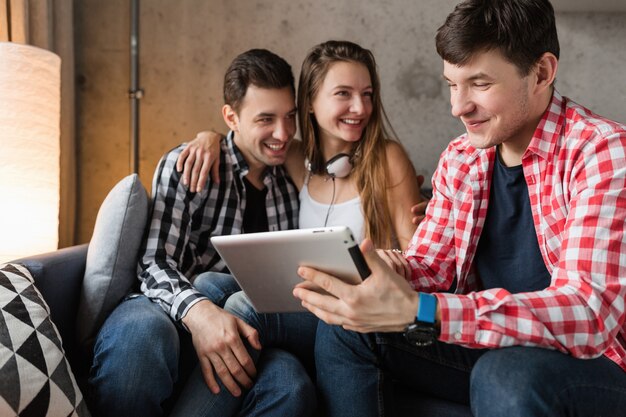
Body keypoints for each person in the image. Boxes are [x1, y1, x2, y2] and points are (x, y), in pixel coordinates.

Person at [293, 1, 626, 416]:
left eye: (480, 84)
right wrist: (383, 271)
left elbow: (587, 313)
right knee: (348, 328)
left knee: (504, 374)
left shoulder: (601, 151)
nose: (458, 106)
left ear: (541, 72)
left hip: (592, 362)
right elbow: (430, 267)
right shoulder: (462, 157)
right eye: (452, 84)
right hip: (490, 344)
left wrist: (424, 310)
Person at [177, 40, 424, 414]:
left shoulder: (387, 159)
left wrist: (393, 258)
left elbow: (420, 260)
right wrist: (209, 138)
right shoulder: (295, 157)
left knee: (243, 307)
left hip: (348, 312)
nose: (361, 108)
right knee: (209, 285)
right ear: (309, 101)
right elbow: (248, 136)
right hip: (306, 299)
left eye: (367, 94)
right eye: (344, 94)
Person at [88, 49, 316, 417]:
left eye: (290, 117)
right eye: (266, 119)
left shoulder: (291, 181)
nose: (284, 133)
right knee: (142, 336)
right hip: (168, 307)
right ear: (231, 117)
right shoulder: (191, 164)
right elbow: (154, 261)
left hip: (247, 326)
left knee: (289, 384)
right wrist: (201, 312)